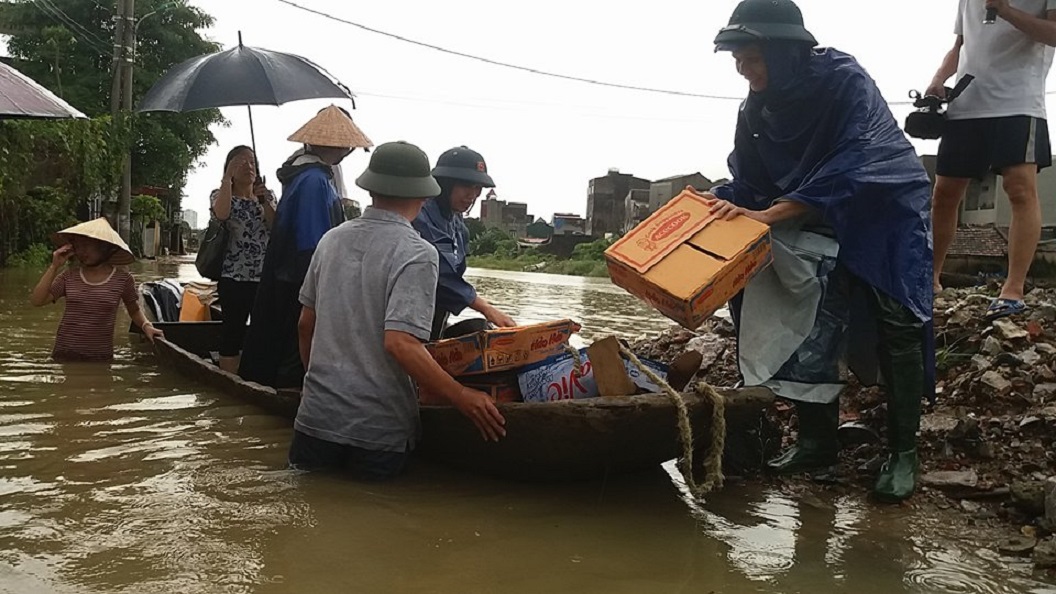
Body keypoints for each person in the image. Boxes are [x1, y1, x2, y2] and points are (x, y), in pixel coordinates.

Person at [705, 0, 934, 502]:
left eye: (752, 58)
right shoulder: (757, 110)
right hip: (811, 215)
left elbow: (861, 157)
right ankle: (817, 441)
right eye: (737, 60)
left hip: (883, 209)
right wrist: (713, 203)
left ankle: (902, 452)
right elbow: (750, 182)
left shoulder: (843, 80)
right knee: (808, 316)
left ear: (784, 51)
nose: (743, 69)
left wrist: (776, 211)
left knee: (897, 320)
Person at [291, 141, 506, 478]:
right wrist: (461, 395)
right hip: (377, 432)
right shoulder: (418, 252)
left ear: (372, 187)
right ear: (424, 194)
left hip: (315, 419)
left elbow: (306, 324)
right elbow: (401, 343)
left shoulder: (330, 240)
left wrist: (314, 386)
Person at [929, 0, 1056, 321]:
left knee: (1020, 189)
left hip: (1019, 101)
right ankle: (929, 281)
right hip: (967, 101)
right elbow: (960, 44)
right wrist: (938, 79)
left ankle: (1012, 290)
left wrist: (1005, 10)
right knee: (944, 195)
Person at [238, 105, 372, 388]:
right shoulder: (313, 181)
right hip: (298, 281)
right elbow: (312, 246)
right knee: (291, 353)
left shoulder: (308, 175)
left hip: (289, 278)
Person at [412, 146, 516, 340]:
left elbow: (456, 275)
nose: (472, 195)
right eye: (466, 186)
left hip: (434, 319)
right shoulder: (419, 215)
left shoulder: (459, 226)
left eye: (477, 188)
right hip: (407, 320)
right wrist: (485, 308)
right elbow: (440, 275)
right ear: (445, 183)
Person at [30, 218, 164, 361]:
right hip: (64, 355)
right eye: (78, 246)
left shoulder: (123, 280)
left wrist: (147, 326)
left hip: (100, 358)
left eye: (87, 245)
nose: (82, 251)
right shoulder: (68, 277)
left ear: (105, 247)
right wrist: (54, 266)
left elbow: (134, 310)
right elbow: (37, 300)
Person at [209, 145, 276, 373]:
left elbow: (276, 226)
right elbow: (222, 214)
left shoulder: (267, 196)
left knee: (263, 330)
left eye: (252, 161)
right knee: (232, 331)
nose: (248, 166)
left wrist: (264, 200)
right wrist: (227, 179)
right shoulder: (219, 194)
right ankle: (230, 379)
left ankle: (257, 376)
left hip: (263, 276)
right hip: (233, 275)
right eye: (241, 162)